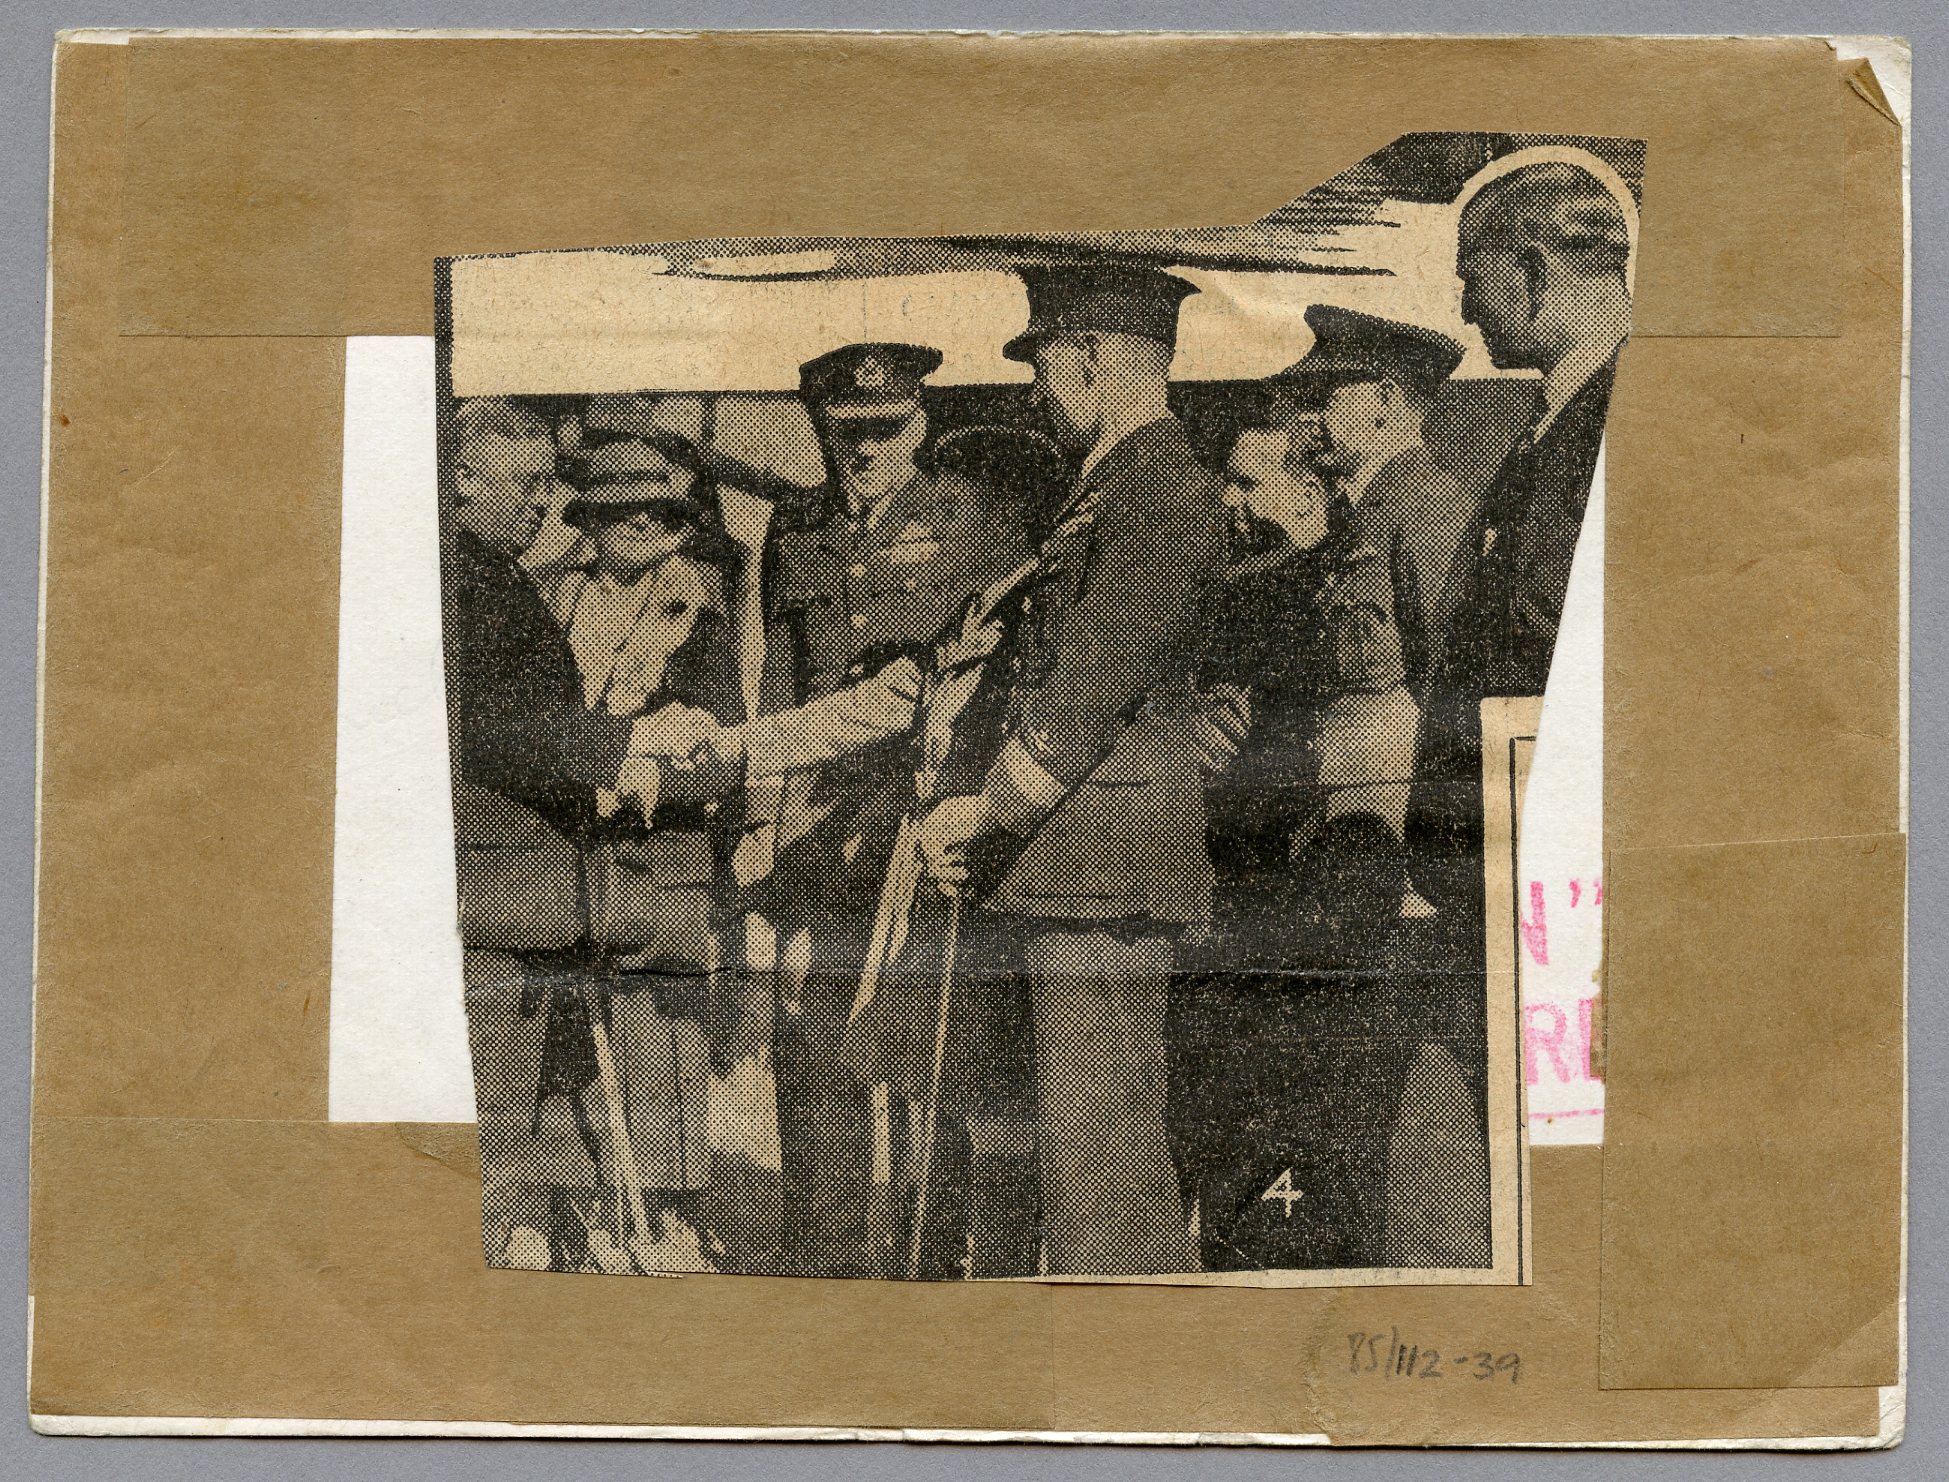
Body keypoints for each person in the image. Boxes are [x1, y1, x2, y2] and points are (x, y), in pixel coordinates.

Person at [912, 263, 1225, 1276]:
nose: (1035, 399)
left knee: (1104, 1182)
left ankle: (1138, 1383)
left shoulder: (1160, 485)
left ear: (1085, 356)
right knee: (1076, 1167)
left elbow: (1095, 674)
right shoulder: (1113, 486)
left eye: (1041, 369)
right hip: (1074, 868)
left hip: (1104, 872)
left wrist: (990, 810)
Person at [732, 342, 1036, 1277]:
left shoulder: (970, 514)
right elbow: (781, 676)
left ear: (922, 422)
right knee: (813, 1034)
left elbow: (985, 675)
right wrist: (761, 819)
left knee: (922, 1050)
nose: (863, 451)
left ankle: (924, 1257)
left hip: (916, 816)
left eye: (885, 431)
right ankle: (819, 1256)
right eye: (843, 433)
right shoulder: (797, 526)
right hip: (816, 822)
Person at [440, 396, 720, 1273]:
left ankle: (592, 1225)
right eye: (527, 486)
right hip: (526, 868)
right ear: (463, 480)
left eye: (546, 485)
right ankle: (523, 1232)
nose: (542, 504)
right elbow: (503, 721)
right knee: (519, 1072)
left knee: (615, 1053)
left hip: (601, 865)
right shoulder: (481, 580)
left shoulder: (698, 600)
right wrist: (629, 744)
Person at [1170, 408, 1422, 1270]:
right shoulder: (1228, 590)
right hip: (1229, 917)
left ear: (1311, 488)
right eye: (1226, 483)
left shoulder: (1343, 594)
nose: (1229, 504)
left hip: (1318, 915)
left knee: (1309, 1166)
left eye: (1250, 484)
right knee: (1226, 1158)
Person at [535, 413, 748, 1272]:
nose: (638, 528)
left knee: (661, 1023)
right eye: (617, 511)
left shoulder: (699, 599)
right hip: (566, 838)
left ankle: (663, 1210)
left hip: (664, 843)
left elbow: (724, 732)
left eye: (655, 513)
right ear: (586, 519)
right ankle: (576, 1204)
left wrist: (663, 771)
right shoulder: (549, 594)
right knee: (563, 1023)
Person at [1442, 159, 1633, 699]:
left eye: (1473, 281)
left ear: (1534, 274)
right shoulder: (1557, 424)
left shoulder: (1615, 419)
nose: (1466, 312)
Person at [1272, 305, 1473, 698]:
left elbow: (1443, 676)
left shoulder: (1428, 503)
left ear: (1384, 398)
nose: (1306, 415)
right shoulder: (1356, 510)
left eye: (1322, 396)